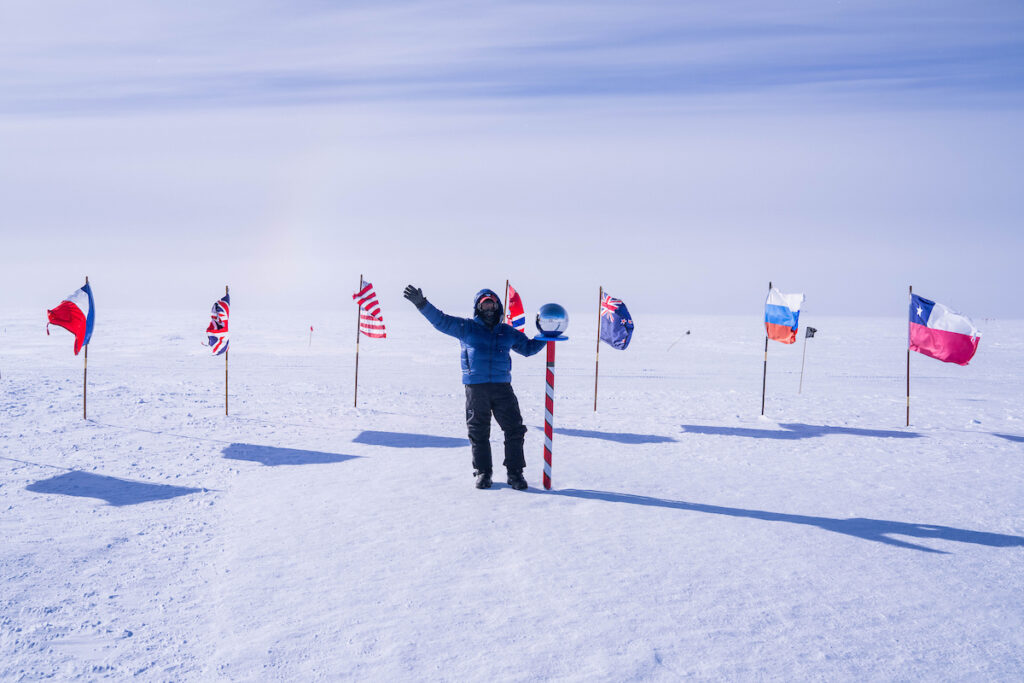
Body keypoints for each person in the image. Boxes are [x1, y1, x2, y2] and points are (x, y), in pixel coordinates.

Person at [404, 284, 546, 490]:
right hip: (475, 388)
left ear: (498, 307)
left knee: (514, 429)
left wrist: (546, 335)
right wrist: (422, 304)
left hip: (502, 387)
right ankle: (483, 472)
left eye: (492, 304)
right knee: (478, 431)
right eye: (485, 304)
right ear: (478, 307)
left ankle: (515, 473)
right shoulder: (466, 328)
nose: (489, 308)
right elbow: (441, 321)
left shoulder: (507, 332)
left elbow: (528, 349)